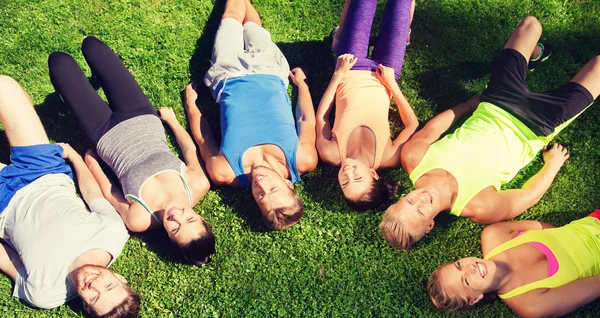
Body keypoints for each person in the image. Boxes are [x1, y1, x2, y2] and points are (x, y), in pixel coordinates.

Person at [380, 16, 600, 250]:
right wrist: (552, 164)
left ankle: (534, 55)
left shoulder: (413, 159)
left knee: (531, 25)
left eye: (410, 200)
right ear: (429, 226)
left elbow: (435, 127)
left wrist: (469, 104)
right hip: (538, 125)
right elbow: (528, 196)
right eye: (421, 210)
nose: (420, 199)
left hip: (496, 101)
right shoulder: (479, 207)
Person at [48, 36, 215, 265]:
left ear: (168, 237)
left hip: (103, 133)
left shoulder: (139, 219)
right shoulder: (198, 184)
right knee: (92, 47)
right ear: (201, 217)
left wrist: (92, 162)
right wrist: (172, 121)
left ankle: (69, 92)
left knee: (59, 63)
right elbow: (188, 149)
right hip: (140, 114)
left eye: (175, 229)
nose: (177, 216)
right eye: (190, 219)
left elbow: (110, 193)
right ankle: (94, 82)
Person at [0, 75, 139, 318]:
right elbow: (91, 194)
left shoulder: (45, 294)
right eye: (108, 286)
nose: (93, 284)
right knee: (5, 88)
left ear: (86, 306)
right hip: (43, 173)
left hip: (2, 207)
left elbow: (7, 261)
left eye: (95, 298)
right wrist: (74, 157)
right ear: (120, 278)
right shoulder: (114, 234)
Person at [185, 0, 318, 230]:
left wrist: (190, 104)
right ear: (289, 185)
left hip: (227, 74)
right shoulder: (303, 159)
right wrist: (302, 86)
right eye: (273, 189)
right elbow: (305, 119)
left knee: (233, 15)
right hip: (271, 70)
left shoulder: (225, 172)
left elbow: (202, 137)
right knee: (253, 26)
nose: (261, 185)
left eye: (260, 197)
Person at [317, 0, 418, 212]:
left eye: (345, 183)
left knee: (362, 3)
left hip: (350, 68)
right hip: (386, 73)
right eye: (358, 178)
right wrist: (391, 84)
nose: (348, 174)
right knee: (401, 5)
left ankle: (339, 38)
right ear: (373, 174)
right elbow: (411, 125)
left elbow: (322, 119)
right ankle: (402, 31)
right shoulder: (388, 157)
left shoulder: (332, 154)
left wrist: (338, 75)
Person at [428, 212, 600, 318]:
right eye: (466, 281)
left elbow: (547, 229)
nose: (470, 268)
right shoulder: (531, 304)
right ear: (475, 298)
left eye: (459, 265)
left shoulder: (494, 235)